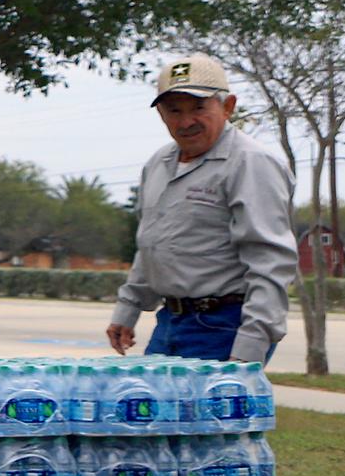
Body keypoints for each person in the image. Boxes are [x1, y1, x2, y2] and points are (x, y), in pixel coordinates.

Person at [106, 53, 297, 364]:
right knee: (151, 412)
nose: (185, 121)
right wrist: (127, 310)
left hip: (224, 326)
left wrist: (250, 349)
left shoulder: (250, 163)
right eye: (174, 110)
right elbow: (152, 246)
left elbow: (271, 262)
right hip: (170, 321)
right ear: (161, 115)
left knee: (206, 415)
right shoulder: (158, 164)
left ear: (227, 106)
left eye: (199, 107)